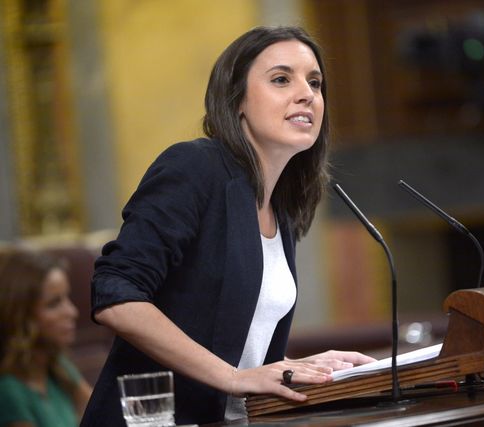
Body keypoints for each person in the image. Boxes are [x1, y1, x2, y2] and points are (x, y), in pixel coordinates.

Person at [80, 25, 376, 425]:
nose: (306, 93)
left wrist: (295, 366)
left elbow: (232, 347)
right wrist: (233, 377)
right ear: (236, 100)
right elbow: (115, 293)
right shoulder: (195, 167)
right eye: (281, 79)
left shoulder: (279, 206)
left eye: (315, 82)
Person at [0, 248, 92, 427]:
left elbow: (105, 415)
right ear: (20, 315)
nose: (72, 312)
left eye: (67, 298)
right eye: (54, 303)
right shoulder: (9, 392)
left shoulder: (57, 366)